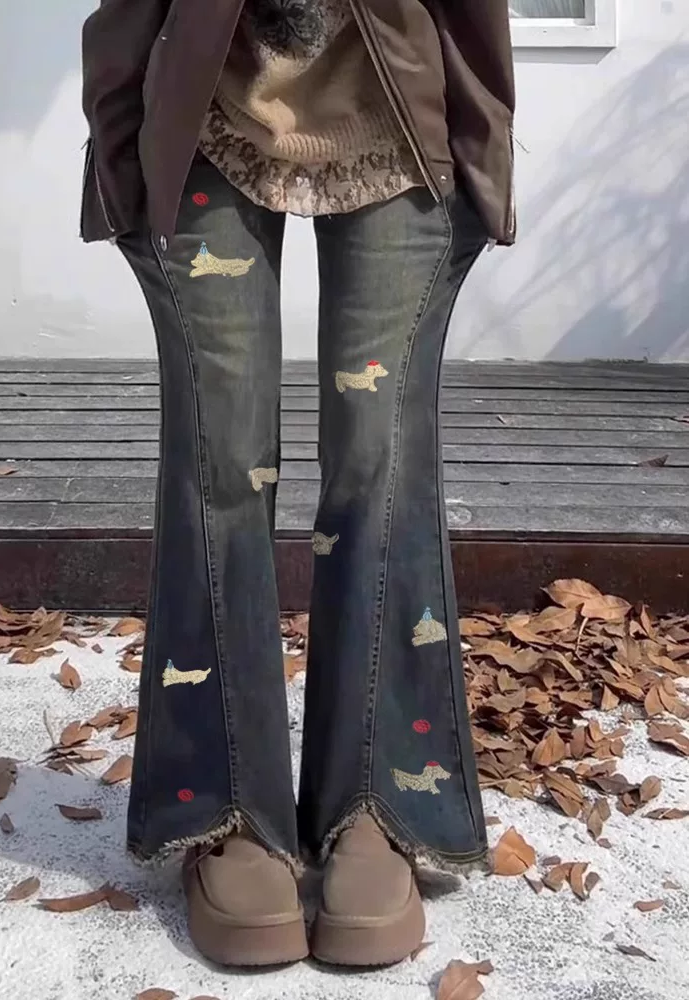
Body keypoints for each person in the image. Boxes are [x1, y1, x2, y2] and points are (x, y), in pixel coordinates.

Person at [81, 0, 515, 970]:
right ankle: (227, 801)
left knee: (378, 465)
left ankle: (379, 797)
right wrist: (117, 143)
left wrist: (485, 139)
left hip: (399, 123)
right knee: (220, 465)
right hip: (206, 120)